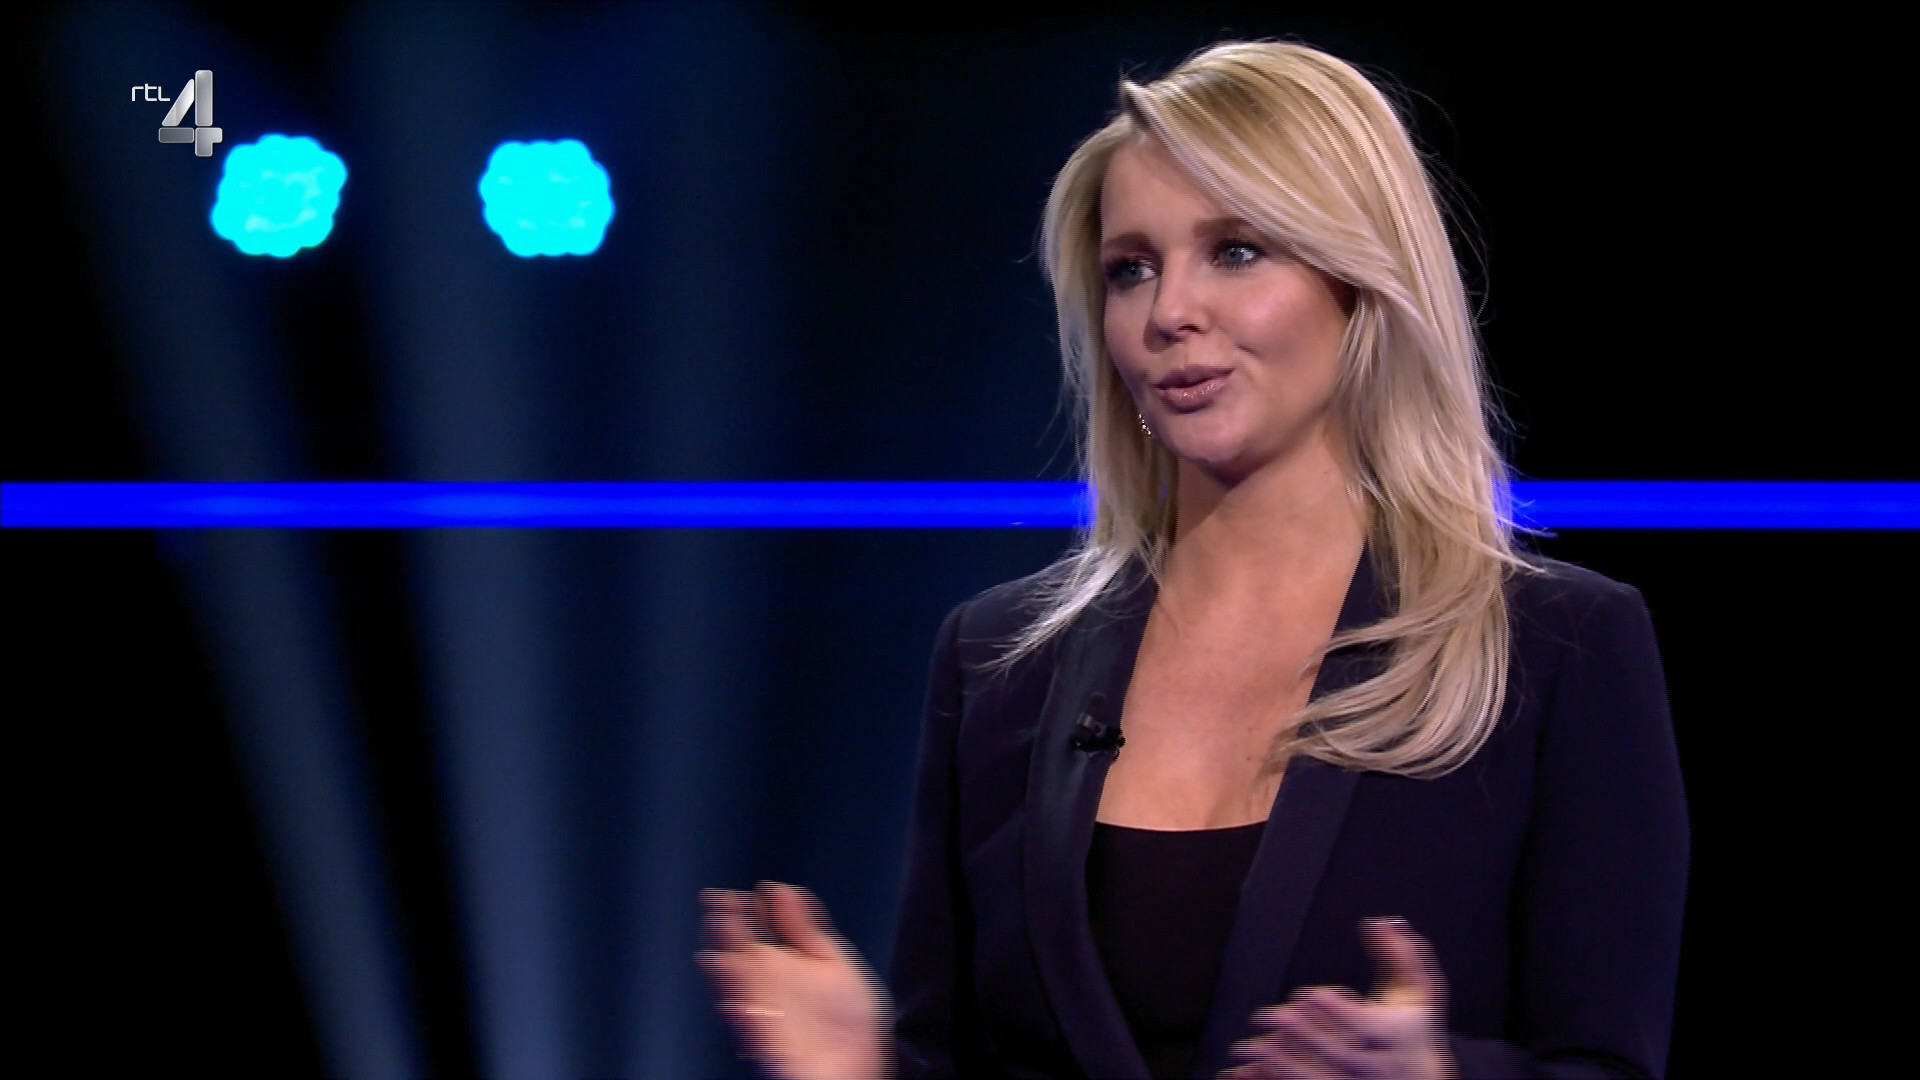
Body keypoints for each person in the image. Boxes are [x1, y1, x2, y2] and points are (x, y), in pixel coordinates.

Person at [699, 38, 1688, 1080]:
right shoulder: (997, 661)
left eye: (1237, 251)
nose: (1169, 311)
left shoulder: (1558, 648)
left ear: (1360, 279)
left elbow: (1608, 1063)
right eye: (1131, 269)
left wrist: (1438, 1076)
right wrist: (864, 1068)